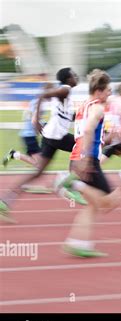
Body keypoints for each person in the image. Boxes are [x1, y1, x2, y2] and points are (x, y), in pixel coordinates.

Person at [0, 68, 85, 221]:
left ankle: (4, 202)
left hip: (49, 136)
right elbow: (43, 96)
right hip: (55, 136)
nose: (76, 76)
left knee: (37, 173)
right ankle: (68, 182)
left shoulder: (65, 93)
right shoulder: (64, 90)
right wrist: (37, 120)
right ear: (67, 79)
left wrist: (81, 115)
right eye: (73, 74)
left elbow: (66, 116)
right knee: (80, 143)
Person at [55, 69, 121, 257]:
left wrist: (108, 138)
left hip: (77, 158)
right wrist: (86, 158)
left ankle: (77, 243)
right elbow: (89, 128)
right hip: (87, 160)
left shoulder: (84, 105)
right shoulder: (98, 107)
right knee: (112, 200)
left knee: (93, 205)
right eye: (108, 90)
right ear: (99, 91)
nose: (110, 94)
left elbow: (88, 132)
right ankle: (71, 182)